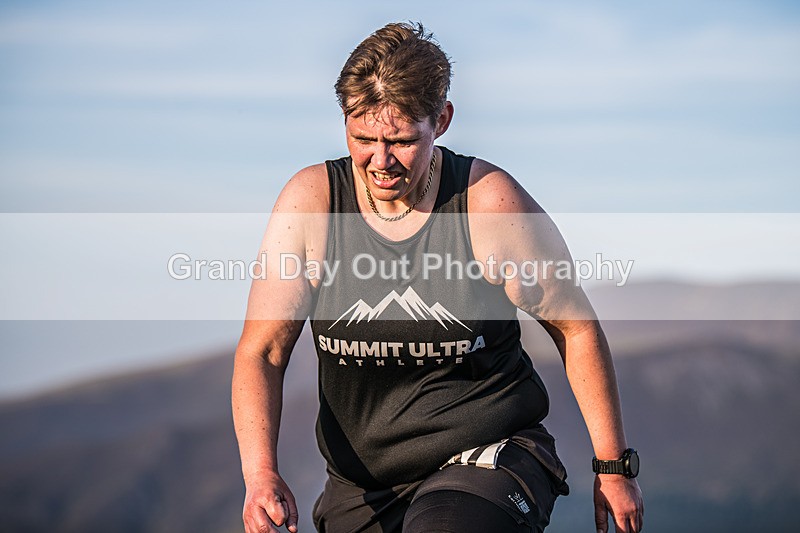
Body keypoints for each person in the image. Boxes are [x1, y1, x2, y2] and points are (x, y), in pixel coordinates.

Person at [232, 22, 644, 533]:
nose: (380, 162)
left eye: (402, 141)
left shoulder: (489, 203)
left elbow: (575, 327)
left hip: (489, 457)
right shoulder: (311, 205)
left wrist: (613, 466)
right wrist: (260, 473)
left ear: (442, 120)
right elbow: (263, 351)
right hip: (363, 486)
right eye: (363, 139)